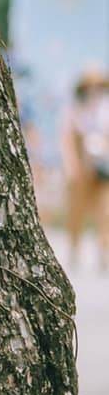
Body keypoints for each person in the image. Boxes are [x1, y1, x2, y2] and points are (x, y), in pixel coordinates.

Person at [62, 70, 109, 272]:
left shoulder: (106, 110)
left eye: (98, 86)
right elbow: (68, 140)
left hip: (103, 170)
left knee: (105, 212)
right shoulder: (75, 110)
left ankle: (104, 252)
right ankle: (74, 250)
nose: (94, 90)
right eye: (90, 86)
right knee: (76, 212)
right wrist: (71, 166)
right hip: (81, 170)